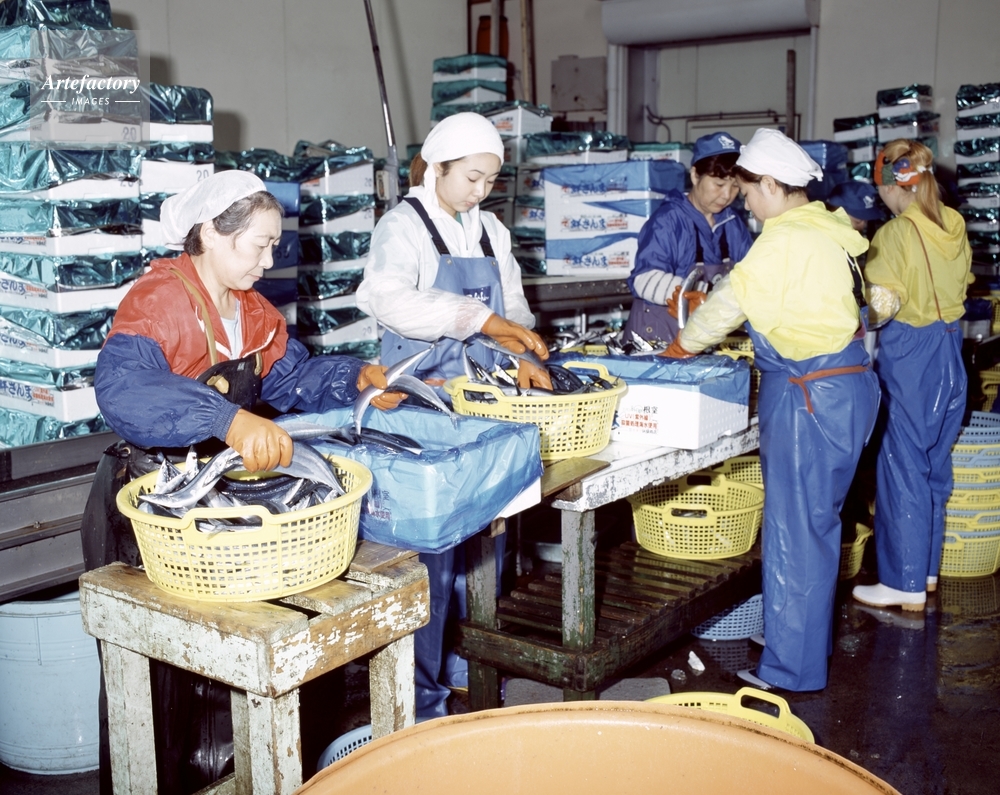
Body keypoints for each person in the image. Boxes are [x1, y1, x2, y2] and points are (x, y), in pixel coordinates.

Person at [83, 170, 403, 793]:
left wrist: (355, 377)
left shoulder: (254, 313)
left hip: (213, 500)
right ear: (209, 233)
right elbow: (123, 389)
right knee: (159, 687)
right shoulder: (159, 299)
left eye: (274, 245)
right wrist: (225, 419)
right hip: (147, 510)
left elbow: (291, 378)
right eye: (259, 244)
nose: (269, 260)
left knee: (227, 668)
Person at [663, 128, 880, 692]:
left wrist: (681, 346)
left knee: (794, 535)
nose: (746, 205)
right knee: (817, 526)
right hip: (847, 389)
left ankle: (791, 671)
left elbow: (726, 306)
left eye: (748, 193)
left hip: (809, 398)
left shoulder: (782, 241)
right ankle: (800, 642)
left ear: (769, 185)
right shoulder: (829, 229)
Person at [356, 111, 549, 717]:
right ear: (437, 167)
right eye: (470, 178)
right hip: (419, 404)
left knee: (482, 542)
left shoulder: (491, 229)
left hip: (483, 403)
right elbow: (389, 300)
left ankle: (465, 668)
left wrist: (521, 350)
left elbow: (514, 308)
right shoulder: (403, 225)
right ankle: (419, 699)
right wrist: (478, 319)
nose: (480, 191)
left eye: (490, 180)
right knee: (429, 560)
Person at [852, 140, 972, 611]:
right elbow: (962, 284)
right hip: (951, 350)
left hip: (911, 356)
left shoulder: (896, 233)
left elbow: (884, 305)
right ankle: (925, 572)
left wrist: (851, 312)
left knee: (902, 468)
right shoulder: (953, 223)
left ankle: (902, 583)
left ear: (889, 185)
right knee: (934, 467)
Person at [623, 131, 753, 343]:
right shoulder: (668, 220)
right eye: (719, 184)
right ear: (695, 176)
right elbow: (644, 280)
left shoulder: (733, 224)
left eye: (735, 186)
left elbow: (751, 278)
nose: (727, 195)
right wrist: (703, 295)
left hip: (701, 339)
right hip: (655, 340)